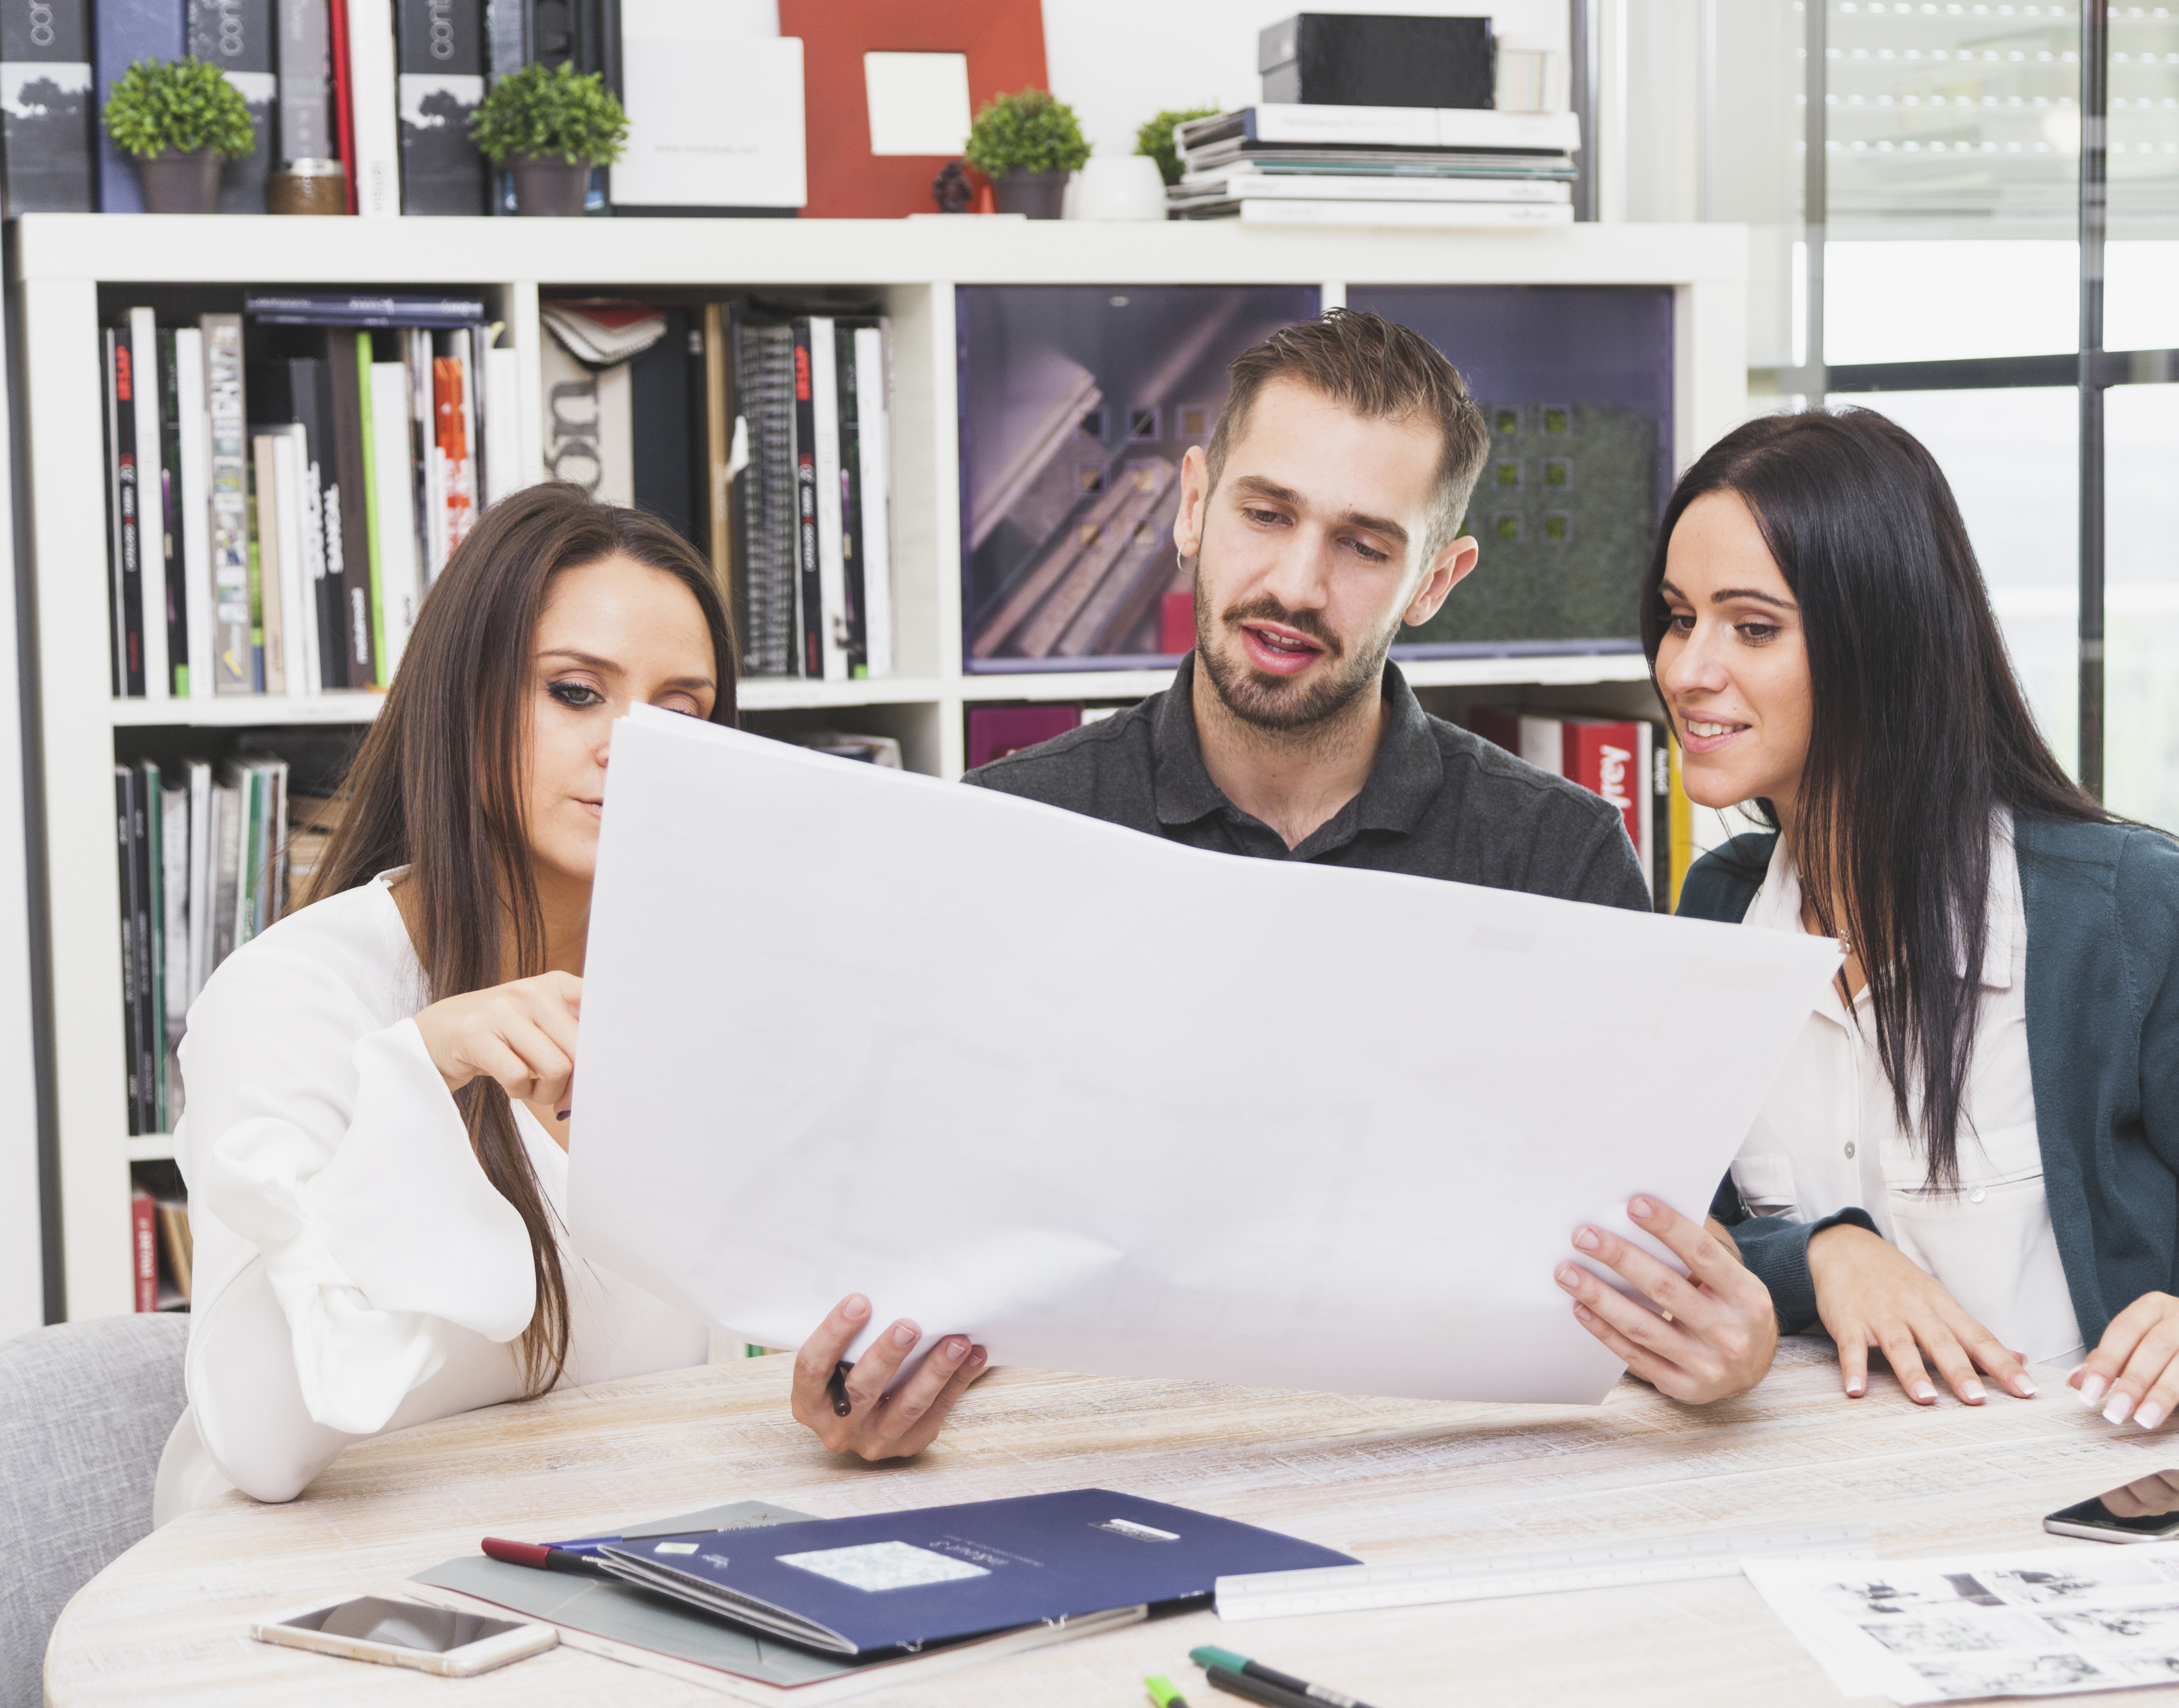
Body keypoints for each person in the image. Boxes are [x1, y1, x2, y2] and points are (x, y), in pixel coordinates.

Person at [158, 485, 983, 1521]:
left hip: (612, 1554)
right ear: (464, 701)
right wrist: (420, 1074)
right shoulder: (294, 1000)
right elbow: (268, 1445)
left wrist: (846, 1398)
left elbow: (722, 1368)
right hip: (312, 1598)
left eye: (679, 713)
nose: (631, 745)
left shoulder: (719, 996)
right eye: (577, 693)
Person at [1647, 407, 2179, 1437]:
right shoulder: (1720, 914)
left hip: (2130, 1497)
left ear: (1881, 642)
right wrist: (1826, 1255)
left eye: (1753, 627)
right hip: (1856, 1500)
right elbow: (1683, 1229)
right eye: (1678, 617)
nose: (1687, 670)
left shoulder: (2120, 916)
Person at [964, 309, 1651, 912]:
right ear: (1195, 508)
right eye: (1266, 515)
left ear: (1434, 583)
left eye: (1362, 547)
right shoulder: (1010, 828)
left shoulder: (1559, 864)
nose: (1297, 590)